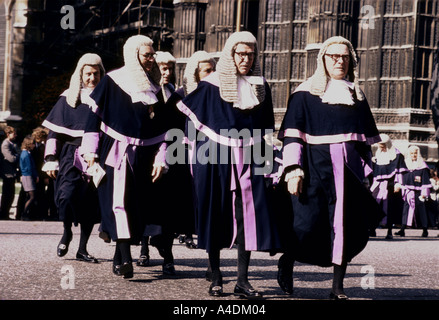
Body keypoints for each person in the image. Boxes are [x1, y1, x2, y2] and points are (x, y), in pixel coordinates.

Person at [276, 36, 383, 300]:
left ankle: (337, 286)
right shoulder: (304, 94)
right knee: (305, 225)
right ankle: (288, 259)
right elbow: (292, 136)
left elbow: (363, 142)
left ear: (352, 61)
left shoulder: (356, 96)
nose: (340, 61)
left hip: (347, 174)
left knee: (345, 228)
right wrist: (293, 168)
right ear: (322, 59)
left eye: (345, 57)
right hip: (313, 169)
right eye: (334, 56)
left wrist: (366, 174)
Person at [177, 31, 281, 298]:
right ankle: (215, 273)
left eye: (251, 54)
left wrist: (267, 165)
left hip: (249, 156)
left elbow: (264, 130)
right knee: (215, 213)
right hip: (214, 156)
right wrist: (195, 160)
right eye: (241, 53)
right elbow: (193, 126)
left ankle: (242, 280)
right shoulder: (210, 86)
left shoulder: (260, 86)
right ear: (230, 54)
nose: (246, 59)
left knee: (247, 216)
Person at [81, 35, 170, 279]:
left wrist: (161, 157)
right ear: (133, 55)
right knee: (119, 203)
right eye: (147, 55)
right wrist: (90, 152)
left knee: (136, 205)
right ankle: (127, 259)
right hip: (116, 150)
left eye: (153, 55)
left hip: (145, 153)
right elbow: (93, 119)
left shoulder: (156, 87)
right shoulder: (111, 81)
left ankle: (120, 257)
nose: (152, 59)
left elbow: (162, 130)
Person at [42, 53, 104, 263]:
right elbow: (54, 131)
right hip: (70, 153)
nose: (92, 78)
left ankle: (83, 248)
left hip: (96, 156)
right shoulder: (68, 97)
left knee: (90, 203)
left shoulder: (106, 98)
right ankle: (67, 231)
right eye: (88, 74)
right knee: (66, 196)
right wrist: (50, 157)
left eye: (96, 74)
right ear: (80, 74)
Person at [136, 50, 180, 274]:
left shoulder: (175, 94)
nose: (167, 72)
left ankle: (168, 254)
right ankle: (143, 248)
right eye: (163, 67)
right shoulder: (145, 92)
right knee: (145, 203)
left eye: (170, 68)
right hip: (147, 154)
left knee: (167, 209)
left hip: (172, 154)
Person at [370, 134, 407, 239]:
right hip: (378, 184)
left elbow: (400, 171)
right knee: (375, 204)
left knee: (390, 207)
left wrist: (398, 184)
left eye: (383, 145)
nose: (381, 147)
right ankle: (372, 229)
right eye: (380, 145)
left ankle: (389, 230)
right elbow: (376, 172)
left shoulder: (397, 155)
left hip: (391, 184)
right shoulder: (378, 155)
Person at [395, 145, 434, 237]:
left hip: (418, 192)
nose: (413, 155)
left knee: (421, 210)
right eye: (411, 153)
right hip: (408, 191)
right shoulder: (404, 165)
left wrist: (424, 193)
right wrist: (399, 185)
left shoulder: (422, 166)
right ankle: (403, 229)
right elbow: (400, 176)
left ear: (418, 154)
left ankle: (425, 229)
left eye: (415, 153)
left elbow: (425, 180)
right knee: (406, 209)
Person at [0, 126, 19, 220]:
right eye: (13, 133)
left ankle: (5, 213)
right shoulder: (5, 144)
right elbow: (11, 158)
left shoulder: (11, 144)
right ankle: (3, 214)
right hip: (7, 173)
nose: (15, 135)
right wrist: (17, 156)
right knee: (7, 194)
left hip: (11, 173)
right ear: (8, 134)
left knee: (10, 194)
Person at [19, 135, 38, 221]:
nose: (34, 145)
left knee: (29, 196)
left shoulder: (24, 153)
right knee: (32, 197)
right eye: (33, 144)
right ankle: (24, 213)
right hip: (28, 176)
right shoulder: (26, 154)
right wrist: (35, 176)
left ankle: (25, 213)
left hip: (26, 175)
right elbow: (30, 167)